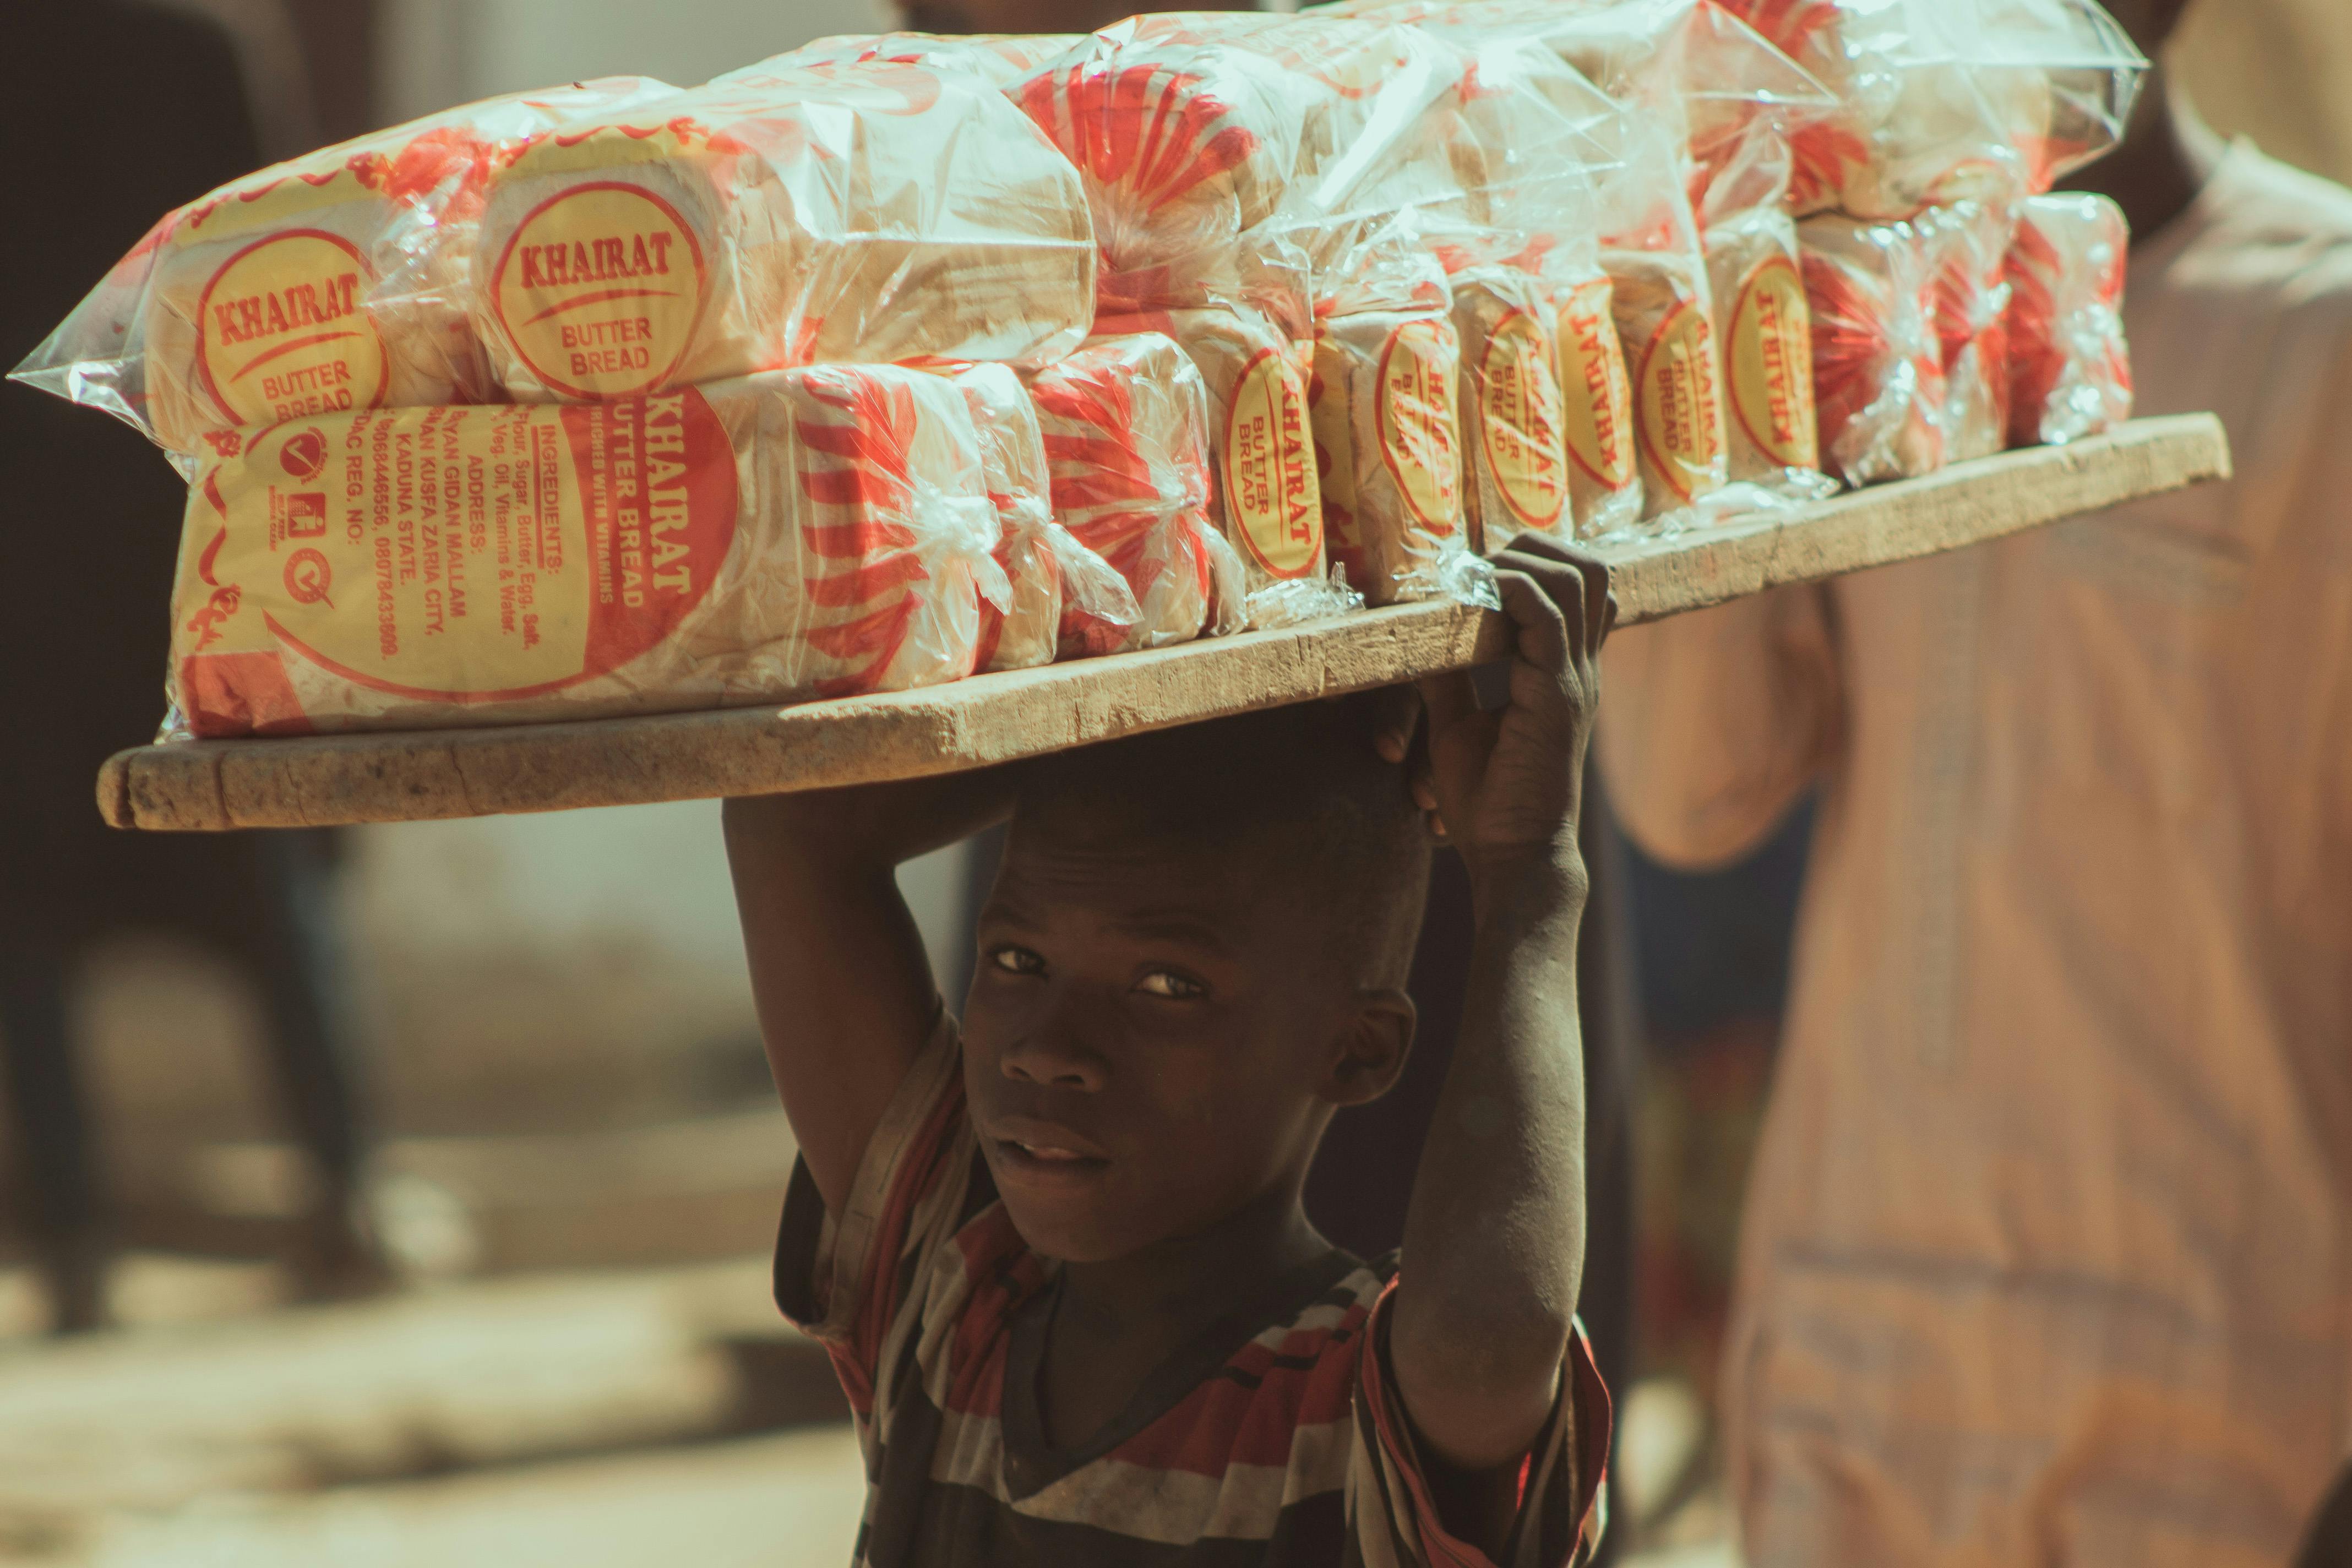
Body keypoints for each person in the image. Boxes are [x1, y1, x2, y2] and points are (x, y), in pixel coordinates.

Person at [1594, 0, 2352, 1560]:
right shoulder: (1864, 318)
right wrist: (1702, 308)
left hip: (2222, 1421)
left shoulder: (2320, 330)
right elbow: (1691, 796)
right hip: (1854, 1390)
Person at [723, 537, 1615, 1564]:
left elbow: (1488, 1343)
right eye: (1017, 958)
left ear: (1358, 1051)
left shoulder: (1332, 1416)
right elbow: (787, 826)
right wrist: (1113, 700)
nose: (1051, 1050)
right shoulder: (956, 1303)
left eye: (1167, 987)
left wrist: (1530, 882)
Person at [1, 2, 388, 1331]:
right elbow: (288, 260)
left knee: (27, 913)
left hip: (26, 556)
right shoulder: (200, 40)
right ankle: (349, 1197)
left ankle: (78, 1241)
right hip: (189, 521)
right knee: (261, 858)